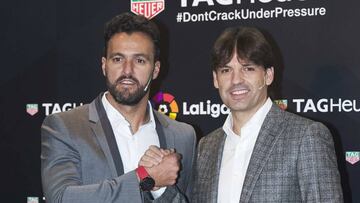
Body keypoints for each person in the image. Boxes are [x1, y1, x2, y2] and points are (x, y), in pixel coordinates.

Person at [41, 12, 196, 203]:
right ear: (104, 65)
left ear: (155, 70)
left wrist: (160, 191)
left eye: (139, 60)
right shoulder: (66, 127)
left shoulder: (182, 136)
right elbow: (60, 198)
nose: (127, 70)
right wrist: (145, 177)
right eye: (118, 59)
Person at [190, 27, 343, 202]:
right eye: (226, 70)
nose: (236, 80)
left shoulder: (306, 136)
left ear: (268, 75)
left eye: (248, 68)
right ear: (216, 79)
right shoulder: (206, 147)